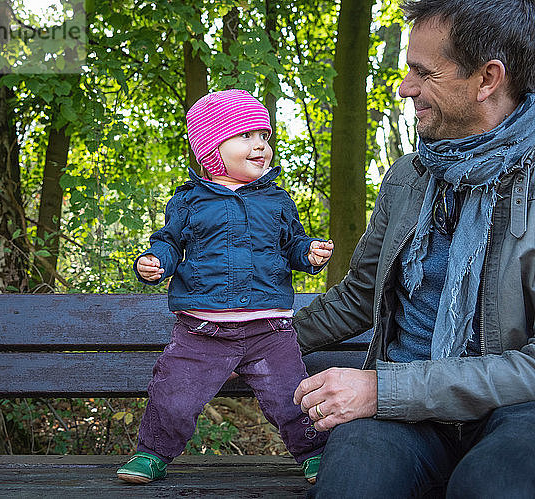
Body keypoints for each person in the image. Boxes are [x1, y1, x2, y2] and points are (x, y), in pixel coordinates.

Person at [292, 0, 535, 497]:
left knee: (493, 485)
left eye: (423, 72)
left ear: (487, 79)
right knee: (353, 484)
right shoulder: (409, 177)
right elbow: (358, 297)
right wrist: (256, 341)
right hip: (399, 415)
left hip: (515, 412)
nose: (405, 87)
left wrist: (383, 391)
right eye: (408, 70)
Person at [117, 89, 333, 485]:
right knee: (173, 394)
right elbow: (169, 241)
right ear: (213, 148)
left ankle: (315, 454)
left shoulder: (277, 201)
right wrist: (155, 262)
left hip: (269, 330)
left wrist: (309, 253)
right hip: (202, 331)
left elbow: (293, 243)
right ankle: (151, 454)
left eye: (264, 136)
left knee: (292, 397)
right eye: (246, 136)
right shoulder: (190, 201)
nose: (260, 146)